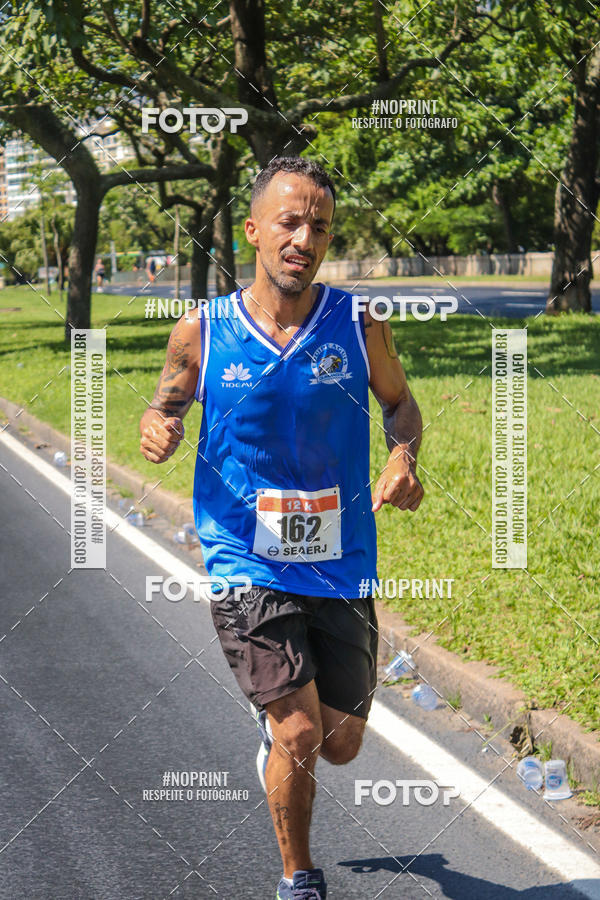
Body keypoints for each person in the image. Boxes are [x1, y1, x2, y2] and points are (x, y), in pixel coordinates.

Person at [139, 156, 424, 900]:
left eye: (320, 227)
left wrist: (404, 456)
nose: (304, 238)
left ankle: (281, 731)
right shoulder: (203, 331)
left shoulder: (361, 326)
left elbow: (400, 407)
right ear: (255, 230)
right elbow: (165, 402)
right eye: (290, 222)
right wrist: (157, 423)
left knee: (340, 743)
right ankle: (299, 877)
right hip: (245, 559)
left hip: (341, 560)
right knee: (300, 735)